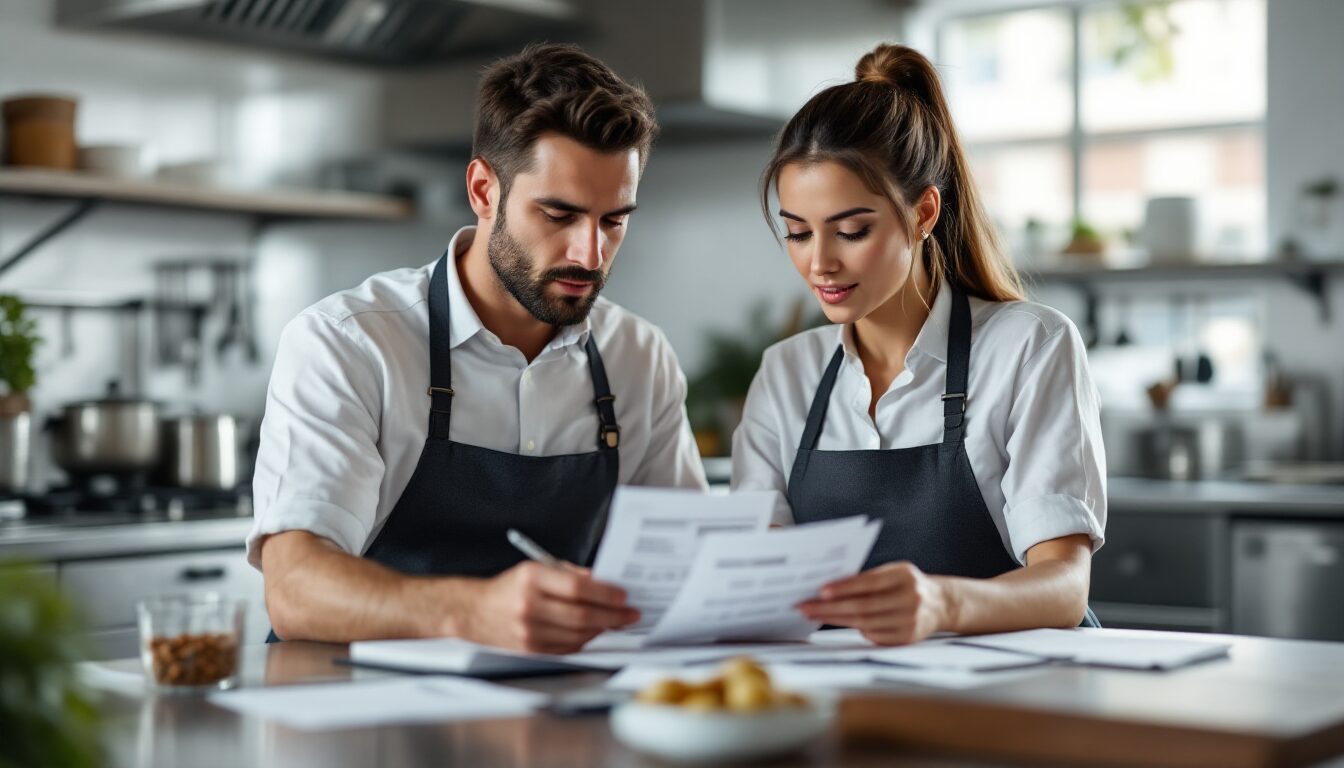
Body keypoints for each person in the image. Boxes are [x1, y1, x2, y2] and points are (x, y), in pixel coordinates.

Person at [248, 43, 707, 652]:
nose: (589, 255)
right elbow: (297, 587)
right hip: (359, 717)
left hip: (556, 716)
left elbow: (684, 566)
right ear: (484, 189)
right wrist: (470, 610)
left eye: (614, 220)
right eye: (558, 214)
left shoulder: (639, 357)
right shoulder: (349, 341)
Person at [733, 43, 1106, 646]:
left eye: (852, 231)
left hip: (1015, 696)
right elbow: (765, 579)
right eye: (798, 233)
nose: (820, 263)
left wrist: (941, 603)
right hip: (847, 696)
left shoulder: (1029, 346)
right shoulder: (786, 375)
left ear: (924, 212)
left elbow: (1064, 588)